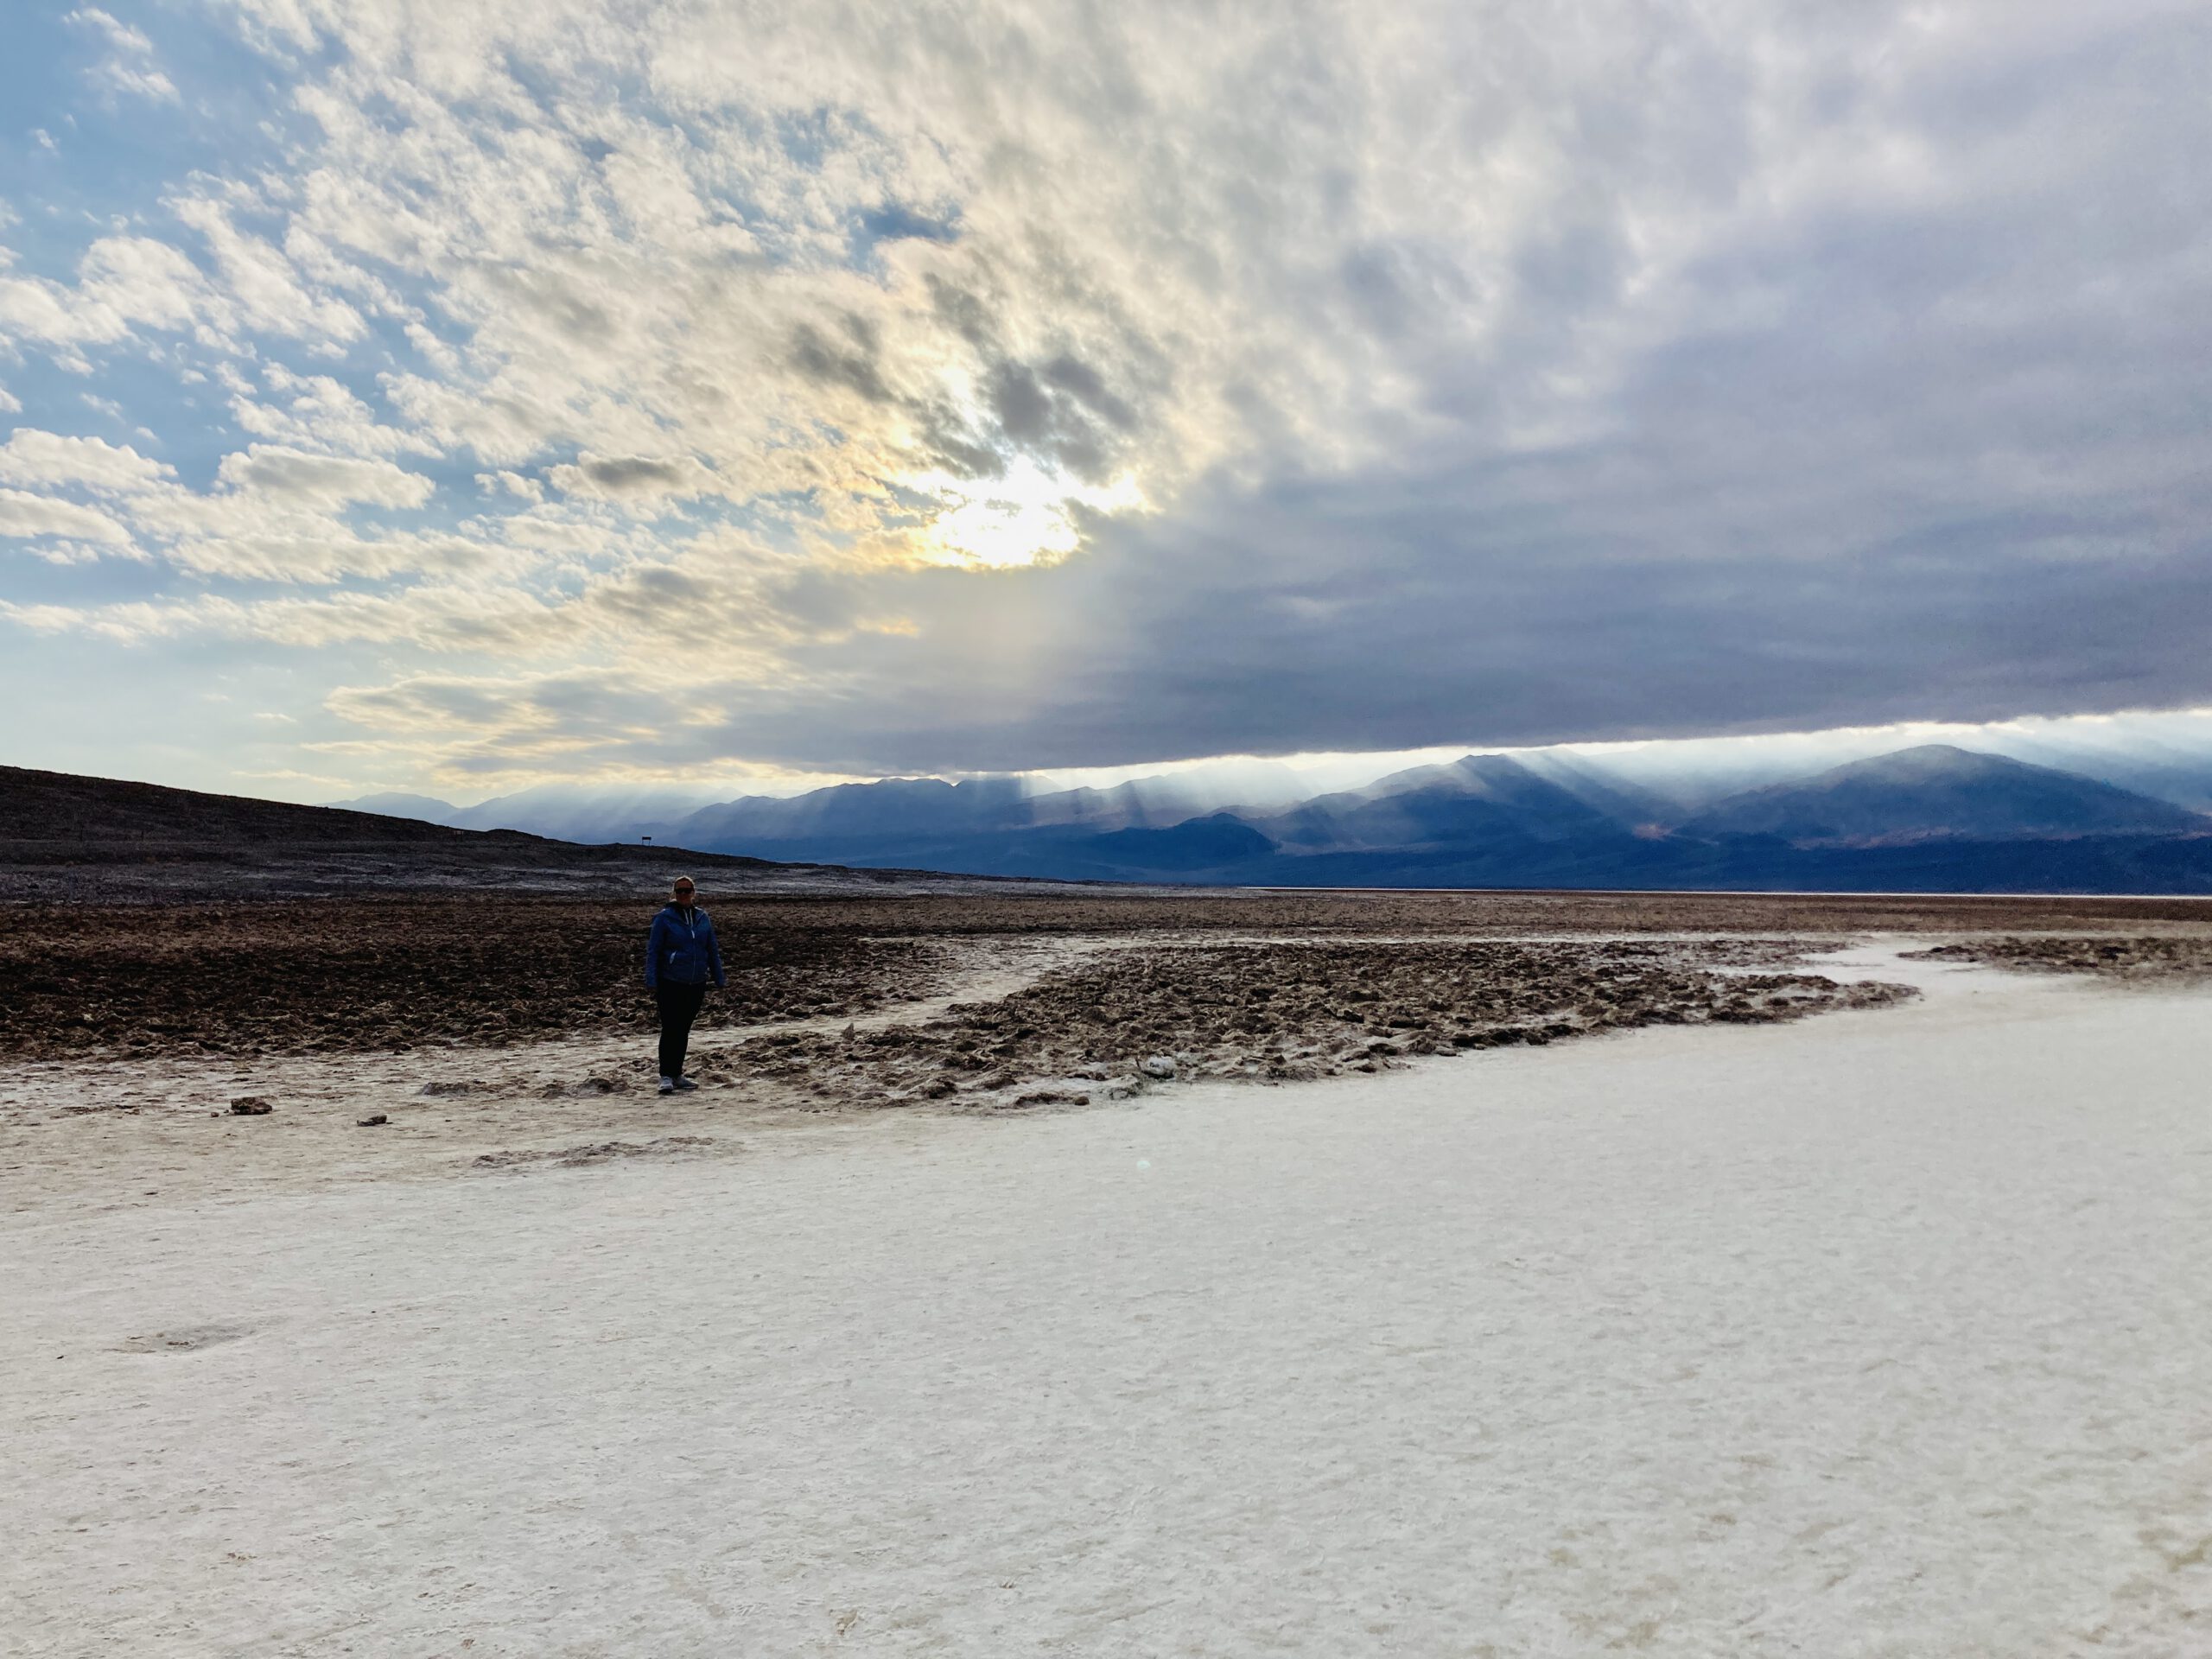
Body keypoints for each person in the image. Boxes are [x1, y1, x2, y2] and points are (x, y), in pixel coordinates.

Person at [643, 876, 725, 1094]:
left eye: (687, 891)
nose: (683, 895)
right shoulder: (664, 918)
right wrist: (651, 979)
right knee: (671, 1028)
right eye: (679, 891)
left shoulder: (702, 918)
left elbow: (712, 949)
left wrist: (718, 977)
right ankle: (666, 1075)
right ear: (674, 893)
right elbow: (654, 950)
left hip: (696, 982)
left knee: (683, 1029)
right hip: (670, 982)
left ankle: (678, 1073)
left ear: (693, 892)